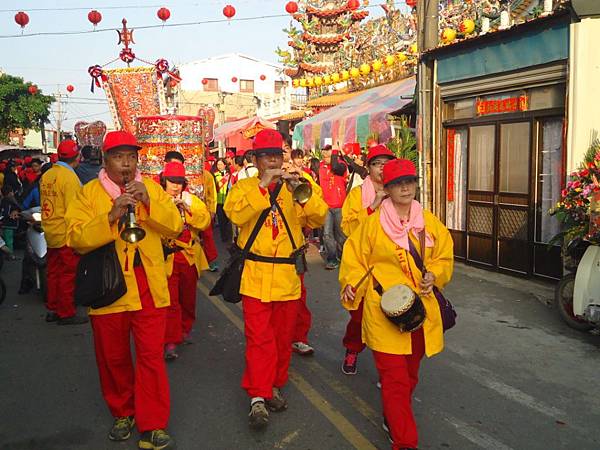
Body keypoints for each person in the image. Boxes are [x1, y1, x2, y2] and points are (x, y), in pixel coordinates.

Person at [65, 130, 182, 450]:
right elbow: (75, 239)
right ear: (105, 160)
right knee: (113, 357)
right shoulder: (88, 193)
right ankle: (122, 412)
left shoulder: (152, 189)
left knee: (150, 359)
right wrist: (111, 215)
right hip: (109, 289)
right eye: (119, 157)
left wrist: (148, 203)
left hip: (148, 287)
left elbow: (176, 226)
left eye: (132, 157)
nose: (126, 163)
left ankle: (154, 424)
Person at [339, 158, 454, 450]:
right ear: (386, 188)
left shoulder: (429, 222)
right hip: (382, 313)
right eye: (398, 183)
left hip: (420, 313)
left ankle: (393, 415)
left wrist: (434, 275)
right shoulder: (372, 225)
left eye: (410, 182)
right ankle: (405, 441)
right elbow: (354, 260)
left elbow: (444, 257)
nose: (405, 188)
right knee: (395, 380)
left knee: (410, 375)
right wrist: (352, 285)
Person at [224, 129, 327, 429]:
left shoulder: (298, 186)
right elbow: (236, 215)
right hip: (255, 276)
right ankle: (258, 396)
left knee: (282, 339)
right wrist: (263, 187)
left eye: (276, 155)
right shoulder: (243, 188)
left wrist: (302, 191)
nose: (271, 160)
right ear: (255, 159)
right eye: (265, 156)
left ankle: (274, 385)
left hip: (287, 277)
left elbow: (319, 217)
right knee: (259, 340)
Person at [340, 144, 396, 375]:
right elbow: (348, 227)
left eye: (386, 164)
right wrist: (373, 206)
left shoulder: (399, 190)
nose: (382, 169)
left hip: (393, 266)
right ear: (368, 168)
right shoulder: (357, 194)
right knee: (359, 316)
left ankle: (389, 371)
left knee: (392, 319)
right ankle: (352, 349)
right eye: (376, 164)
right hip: (363, 267)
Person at [161, 161, 211, 360]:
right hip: (168, 256)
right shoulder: (158, 199)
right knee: (170, 301)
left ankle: (184, 328)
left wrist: (187, 210)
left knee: (188, 299)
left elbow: (205, 220)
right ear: (164, 181)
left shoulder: (190, 199)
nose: (175, 186)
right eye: (172, 181)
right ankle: (170, 340)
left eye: (179, 182)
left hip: (188, 256)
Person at [39, 140, 87, 325]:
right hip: (66, 234)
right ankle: (66, 313)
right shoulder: (70, 178)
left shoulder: (48, 175)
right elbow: (74, 210)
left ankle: (52, 309)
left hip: (50, 232)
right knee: (68, 275)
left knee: (53, 273)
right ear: (77, 157)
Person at [319, 145, 348, 270]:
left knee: (341, 235)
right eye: (324, 155)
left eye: (328, 155)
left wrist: (336, 151)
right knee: (326, 234)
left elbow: (335, 166)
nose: (325, 158)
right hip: (326, 206)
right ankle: (332, 258)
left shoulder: (341, 166)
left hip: (340, 206)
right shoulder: (321, 167)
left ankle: (345, 256)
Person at [213, 158, 232, 243]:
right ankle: (224, 237)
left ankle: (229, 235)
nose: (219, 166)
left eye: (221, 164)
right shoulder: (214, 175)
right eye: (218, 165)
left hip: (228, 200)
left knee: (228, 219)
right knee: (221, 220)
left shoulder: (230, 175)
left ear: (225, 165)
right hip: (219, 201)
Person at [0, 184, 20, 255]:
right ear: (10, 192)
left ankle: (10, 255)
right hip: (9, 223)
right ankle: (10, 255)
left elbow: (4, 213)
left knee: (8, 240)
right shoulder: (9, 200)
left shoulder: (4, 200)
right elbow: (6, 212)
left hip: (7, 224)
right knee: (9, 240)